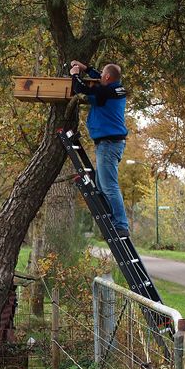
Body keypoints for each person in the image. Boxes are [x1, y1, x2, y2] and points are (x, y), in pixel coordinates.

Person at [69, 60, 130, 237]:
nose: (100, 76)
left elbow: (82, 89)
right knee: (103, 186)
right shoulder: (115, 89)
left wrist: (75, 74)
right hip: (110, 143)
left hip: (109, 144)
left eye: (103, 74)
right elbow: (99, 79)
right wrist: (86, 68)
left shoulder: (106, 91)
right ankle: (115, 220)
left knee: (109, 187)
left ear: (108, 77)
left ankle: (121, 225)